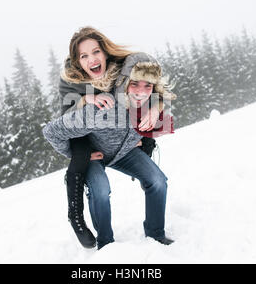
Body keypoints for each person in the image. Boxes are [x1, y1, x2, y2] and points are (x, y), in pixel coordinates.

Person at [44, 59, 176, 250]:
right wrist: (77, 155)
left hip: (124, 153)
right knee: (100, 190)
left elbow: (163, 109)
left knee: (157, 181)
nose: (141, 91)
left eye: (147, 86)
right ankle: (106, 244)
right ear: (125, 84)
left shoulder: (150, 104)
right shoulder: (101, 107)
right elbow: (51, 131)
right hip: (94, 155)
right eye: (135, 84)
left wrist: (155, 113)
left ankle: (156, 234)